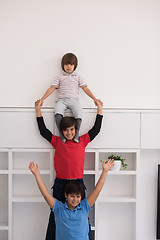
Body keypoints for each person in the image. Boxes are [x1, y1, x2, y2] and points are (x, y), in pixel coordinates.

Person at [35, 99, 103, 240]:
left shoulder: (82, 141)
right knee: (54, 216)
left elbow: (96, 130)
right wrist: (38, 110)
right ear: (62, 131)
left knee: (84, 216)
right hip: (60, 184)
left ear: (76, 129)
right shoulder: (57, 141)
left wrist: (99, 110)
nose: (69, 132)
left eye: (71, 129)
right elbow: (43, 131)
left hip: (78, 183)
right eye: (65, 130)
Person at [29, 159, 115, 240]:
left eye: (78, 196)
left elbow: (97, 191)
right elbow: (45, 194)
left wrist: (105, 171)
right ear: (66, 195)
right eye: (72, 196)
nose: (75, 199)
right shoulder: (59, 208)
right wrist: (37, 175)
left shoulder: (84, 207)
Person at [35, 52, 103, 142]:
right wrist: (42, 99)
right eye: (66, 64)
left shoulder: (78, 77)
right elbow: (52, 88)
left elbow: (85, 88)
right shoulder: (60, 77)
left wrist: (94, 99)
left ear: (75, 66)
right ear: (63, 65)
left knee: (79, 113)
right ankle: (62, 134)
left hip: (74, 100)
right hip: (62, 100)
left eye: (71, 64)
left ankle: (76, 135)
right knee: (57, 113)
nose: (68, 66)